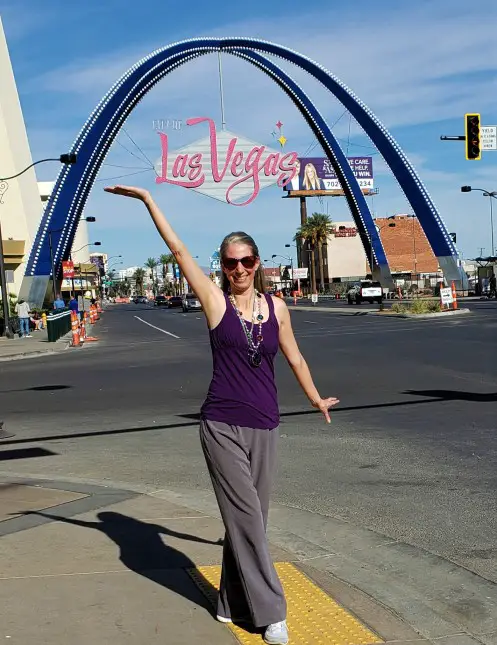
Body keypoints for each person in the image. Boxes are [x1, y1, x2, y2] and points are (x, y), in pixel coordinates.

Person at [104, 184, 339, 645]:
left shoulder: (277, 307)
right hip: (222, 424)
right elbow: (177, 248)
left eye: (247, 261)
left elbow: (294, 357)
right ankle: (271, 611)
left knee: (250, 520)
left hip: (266, 424)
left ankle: (230, 600)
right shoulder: (215, 303)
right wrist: (150, 201)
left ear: (258, 263)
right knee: (248, 519)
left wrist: (314, 398)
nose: (239, 269)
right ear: (222, 266)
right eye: (230, 262)